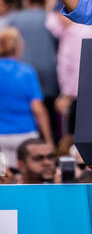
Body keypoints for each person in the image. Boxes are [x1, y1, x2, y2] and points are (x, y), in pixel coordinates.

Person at [9, 0, 60, 142]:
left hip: (22, 72)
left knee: (27, 108)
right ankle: (50, 143)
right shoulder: (50, 18)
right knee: (50, 111)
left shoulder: (15, 19)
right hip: (50, 72)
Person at [0, 28, 53, 169]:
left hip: (1, 136)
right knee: (27, 177)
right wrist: (48, 140)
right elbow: (38, 109)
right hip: (25, 135)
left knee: (3, 178)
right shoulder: (26, 71)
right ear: (18, 47)